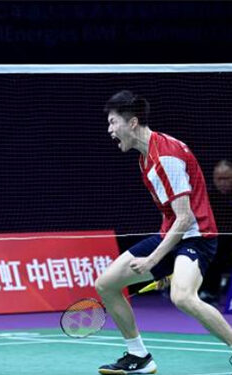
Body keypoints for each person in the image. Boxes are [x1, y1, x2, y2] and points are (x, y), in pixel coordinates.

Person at [95, 90, 232, 374]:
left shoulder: (165, 157)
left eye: (112, 122)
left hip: (196, 236)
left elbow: (185, 219)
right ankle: (139, 356)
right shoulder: (146, 157)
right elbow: (170, 215)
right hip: (171, 235)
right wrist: (165, 258)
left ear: (132, 123)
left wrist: (153, 261)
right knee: (105, 284)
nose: (109, 130)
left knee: (182, 296)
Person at [199, 160, 232, 305]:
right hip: (216, 241)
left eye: (227, 178)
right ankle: (209, 292)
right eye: (219, 179)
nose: (223, 182)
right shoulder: (207, 196)